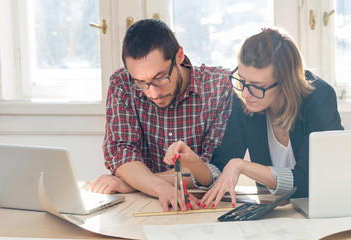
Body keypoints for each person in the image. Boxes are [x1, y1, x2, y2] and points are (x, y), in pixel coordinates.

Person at [171, 27, 344, 209]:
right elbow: (222, 169)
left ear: (285, 82)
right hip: (277, 213)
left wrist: (242, 166)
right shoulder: (245, 102)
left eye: (257, 85)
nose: (245, 92)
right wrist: (194, 162)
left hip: (326, 209)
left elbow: (310, 181)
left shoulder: (319, 98)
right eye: (242, 80)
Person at [90, 19, 233, 211]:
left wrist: (133, 183)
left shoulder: (220, 86)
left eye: (160, 78)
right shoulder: (122, 83)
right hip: (138, 203)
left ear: (179, 55)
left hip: (198, 203)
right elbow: (121, 154)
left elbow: (210, 171)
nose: (152, 93)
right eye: (141, 82)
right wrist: (159, 187)